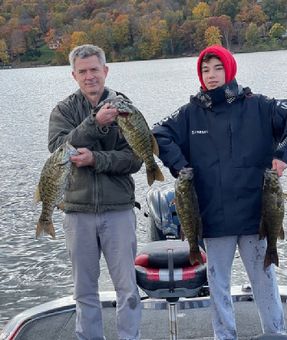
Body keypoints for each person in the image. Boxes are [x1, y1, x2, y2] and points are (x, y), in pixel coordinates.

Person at [152, 45, 287, 339]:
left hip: (257, 216)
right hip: (214, 217)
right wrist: (181, 166)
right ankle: (223, 335)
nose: (211, 76)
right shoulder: (189, 114)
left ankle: (275, 333)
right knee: (218, 284)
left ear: (230, 69)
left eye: (217, 68)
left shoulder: (260, 105)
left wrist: (284, 154)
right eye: (205, 70)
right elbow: (158, 133)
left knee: (264, 279)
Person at [48, 44, 142, 340]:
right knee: (84, 290)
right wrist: (95, 123)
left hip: (118, 210)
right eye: (83, 71)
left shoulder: (125, 106)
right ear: (74, 75)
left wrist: (96, 159)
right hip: (77, 212)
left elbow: (136, 158)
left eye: (94, 70)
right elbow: (58, 151)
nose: (90, 77)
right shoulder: (63, 110)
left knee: (127, 289)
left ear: (106, 71)